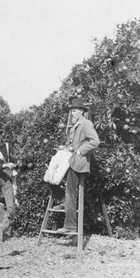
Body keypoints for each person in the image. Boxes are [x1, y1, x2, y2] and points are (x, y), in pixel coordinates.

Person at [55, 99, 99, 234]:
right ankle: (63, 201)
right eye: (71, 111)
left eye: (74, 111)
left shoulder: (86, 123)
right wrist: (65, 147)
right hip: (70, 158)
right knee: (50, 177)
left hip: (78, 162)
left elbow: (95, 141)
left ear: (81, 112)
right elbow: (75, 143)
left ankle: (70, 225)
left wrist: (80, 151)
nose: (72, 113)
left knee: (70, 192)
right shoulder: (76, 124)